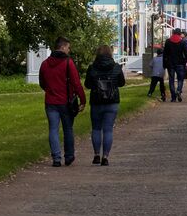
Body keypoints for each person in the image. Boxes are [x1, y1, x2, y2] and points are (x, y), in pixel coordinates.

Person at [38, 36, 85, 167]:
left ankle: (56, 158)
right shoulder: (68, 63)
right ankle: (69, 156)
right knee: (68, 129)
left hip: (51, 101)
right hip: (65, 102)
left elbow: (42, 82)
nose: (69, 50)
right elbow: (76, 83)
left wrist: (50, 90)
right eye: (68, 48)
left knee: (53, 129)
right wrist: (83, 99)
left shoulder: (45, 64)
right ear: (63, 47)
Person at [84, 44, 125, 166]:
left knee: (96, 128)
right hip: (112, 101)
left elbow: (88, 84)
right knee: (108, 130)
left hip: (96, 101)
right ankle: (105, 156)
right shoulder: (116, 67)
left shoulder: (92, 68)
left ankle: (96, 154)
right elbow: (121, 83)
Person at [163, 27, 187, 103]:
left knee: (171, 80)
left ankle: (173, 97)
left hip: (170, 64)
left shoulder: (168, 41)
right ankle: (178, 90)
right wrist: (185, 61)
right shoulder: (182, 42)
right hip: (180, 63)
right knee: (180, 79)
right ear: (180, 34)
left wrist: (164, 64)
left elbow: (165, 54)